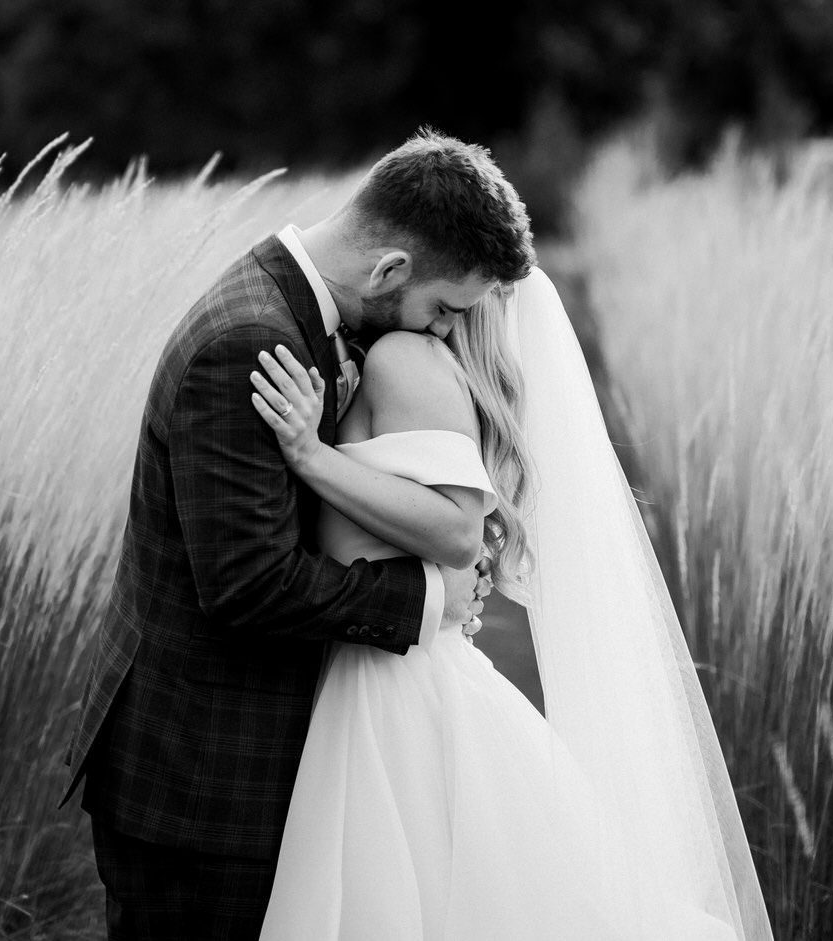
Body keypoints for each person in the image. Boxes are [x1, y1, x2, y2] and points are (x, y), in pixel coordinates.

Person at [63, 130, 532, 940]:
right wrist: (427, 595)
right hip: (204, 788)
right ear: (389, 270)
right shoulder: (249, 343)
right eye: (446, 307)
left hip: (241, 774)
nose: (449, 331)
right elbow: (249, 583)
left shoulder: (301, 317)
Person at [246, 261, 774, 940]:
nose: (430, 311)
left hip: (389, 690)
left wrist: (309, 453)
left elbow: (454, 538)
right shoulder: (444, 386)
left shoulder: (405, 362)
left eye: (448, 300)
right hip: (413, 673)